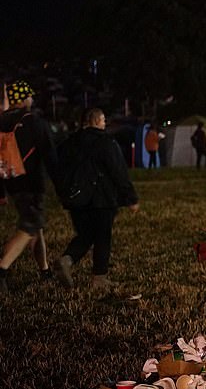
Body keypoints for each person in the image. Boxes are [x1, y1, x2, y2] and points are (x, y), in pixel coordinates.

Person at [53, 108, 139, 291]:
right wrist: (130, 198)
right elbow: (118, 171)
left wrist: (63, 193)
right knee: (102, 237)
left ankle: (66, 260)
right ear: (99, 121)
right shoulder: (106, 142)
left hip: (76, 200)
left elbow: (58, 169)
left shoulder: (69, 142)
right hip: (102, 199)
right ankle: (99, 278)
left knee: (85, 235)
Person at [0, 80, 58, 292]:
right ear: (24, 99)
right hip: (31, 183)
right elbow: (51, 156)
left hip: (11, 182)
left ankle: (44, 270)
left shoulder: (1, 122)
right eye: (29, 96)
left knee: (36, 229)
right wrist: (61, 186)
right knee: (29, 226)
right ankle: (2, 268)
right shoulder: (34, 121)